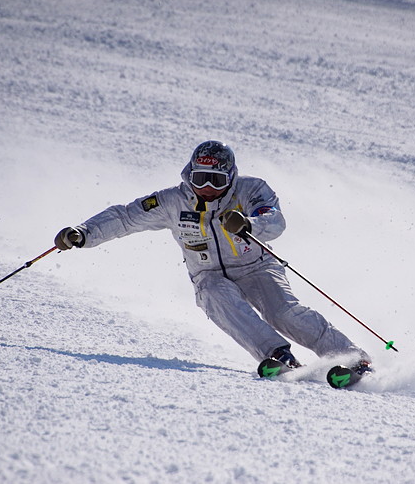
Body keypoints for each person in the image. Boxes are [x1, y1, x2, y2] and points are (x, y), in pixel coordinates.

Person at [55, 140, 371, 372]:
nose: (207, 187)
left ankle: (351, 357)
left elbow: (275, 220)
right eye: (200, 178)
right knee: (215, 294)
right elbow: (125, 217)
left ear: (230, 177)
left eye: (216, 180)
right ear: (189, 175)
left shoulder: (250, 190)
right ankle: (278, 356)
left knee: (283, 313)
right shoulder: (171, 201)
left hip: (257, 266)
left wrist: (250, 223)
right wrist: (83, 233)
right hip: (209, 274)